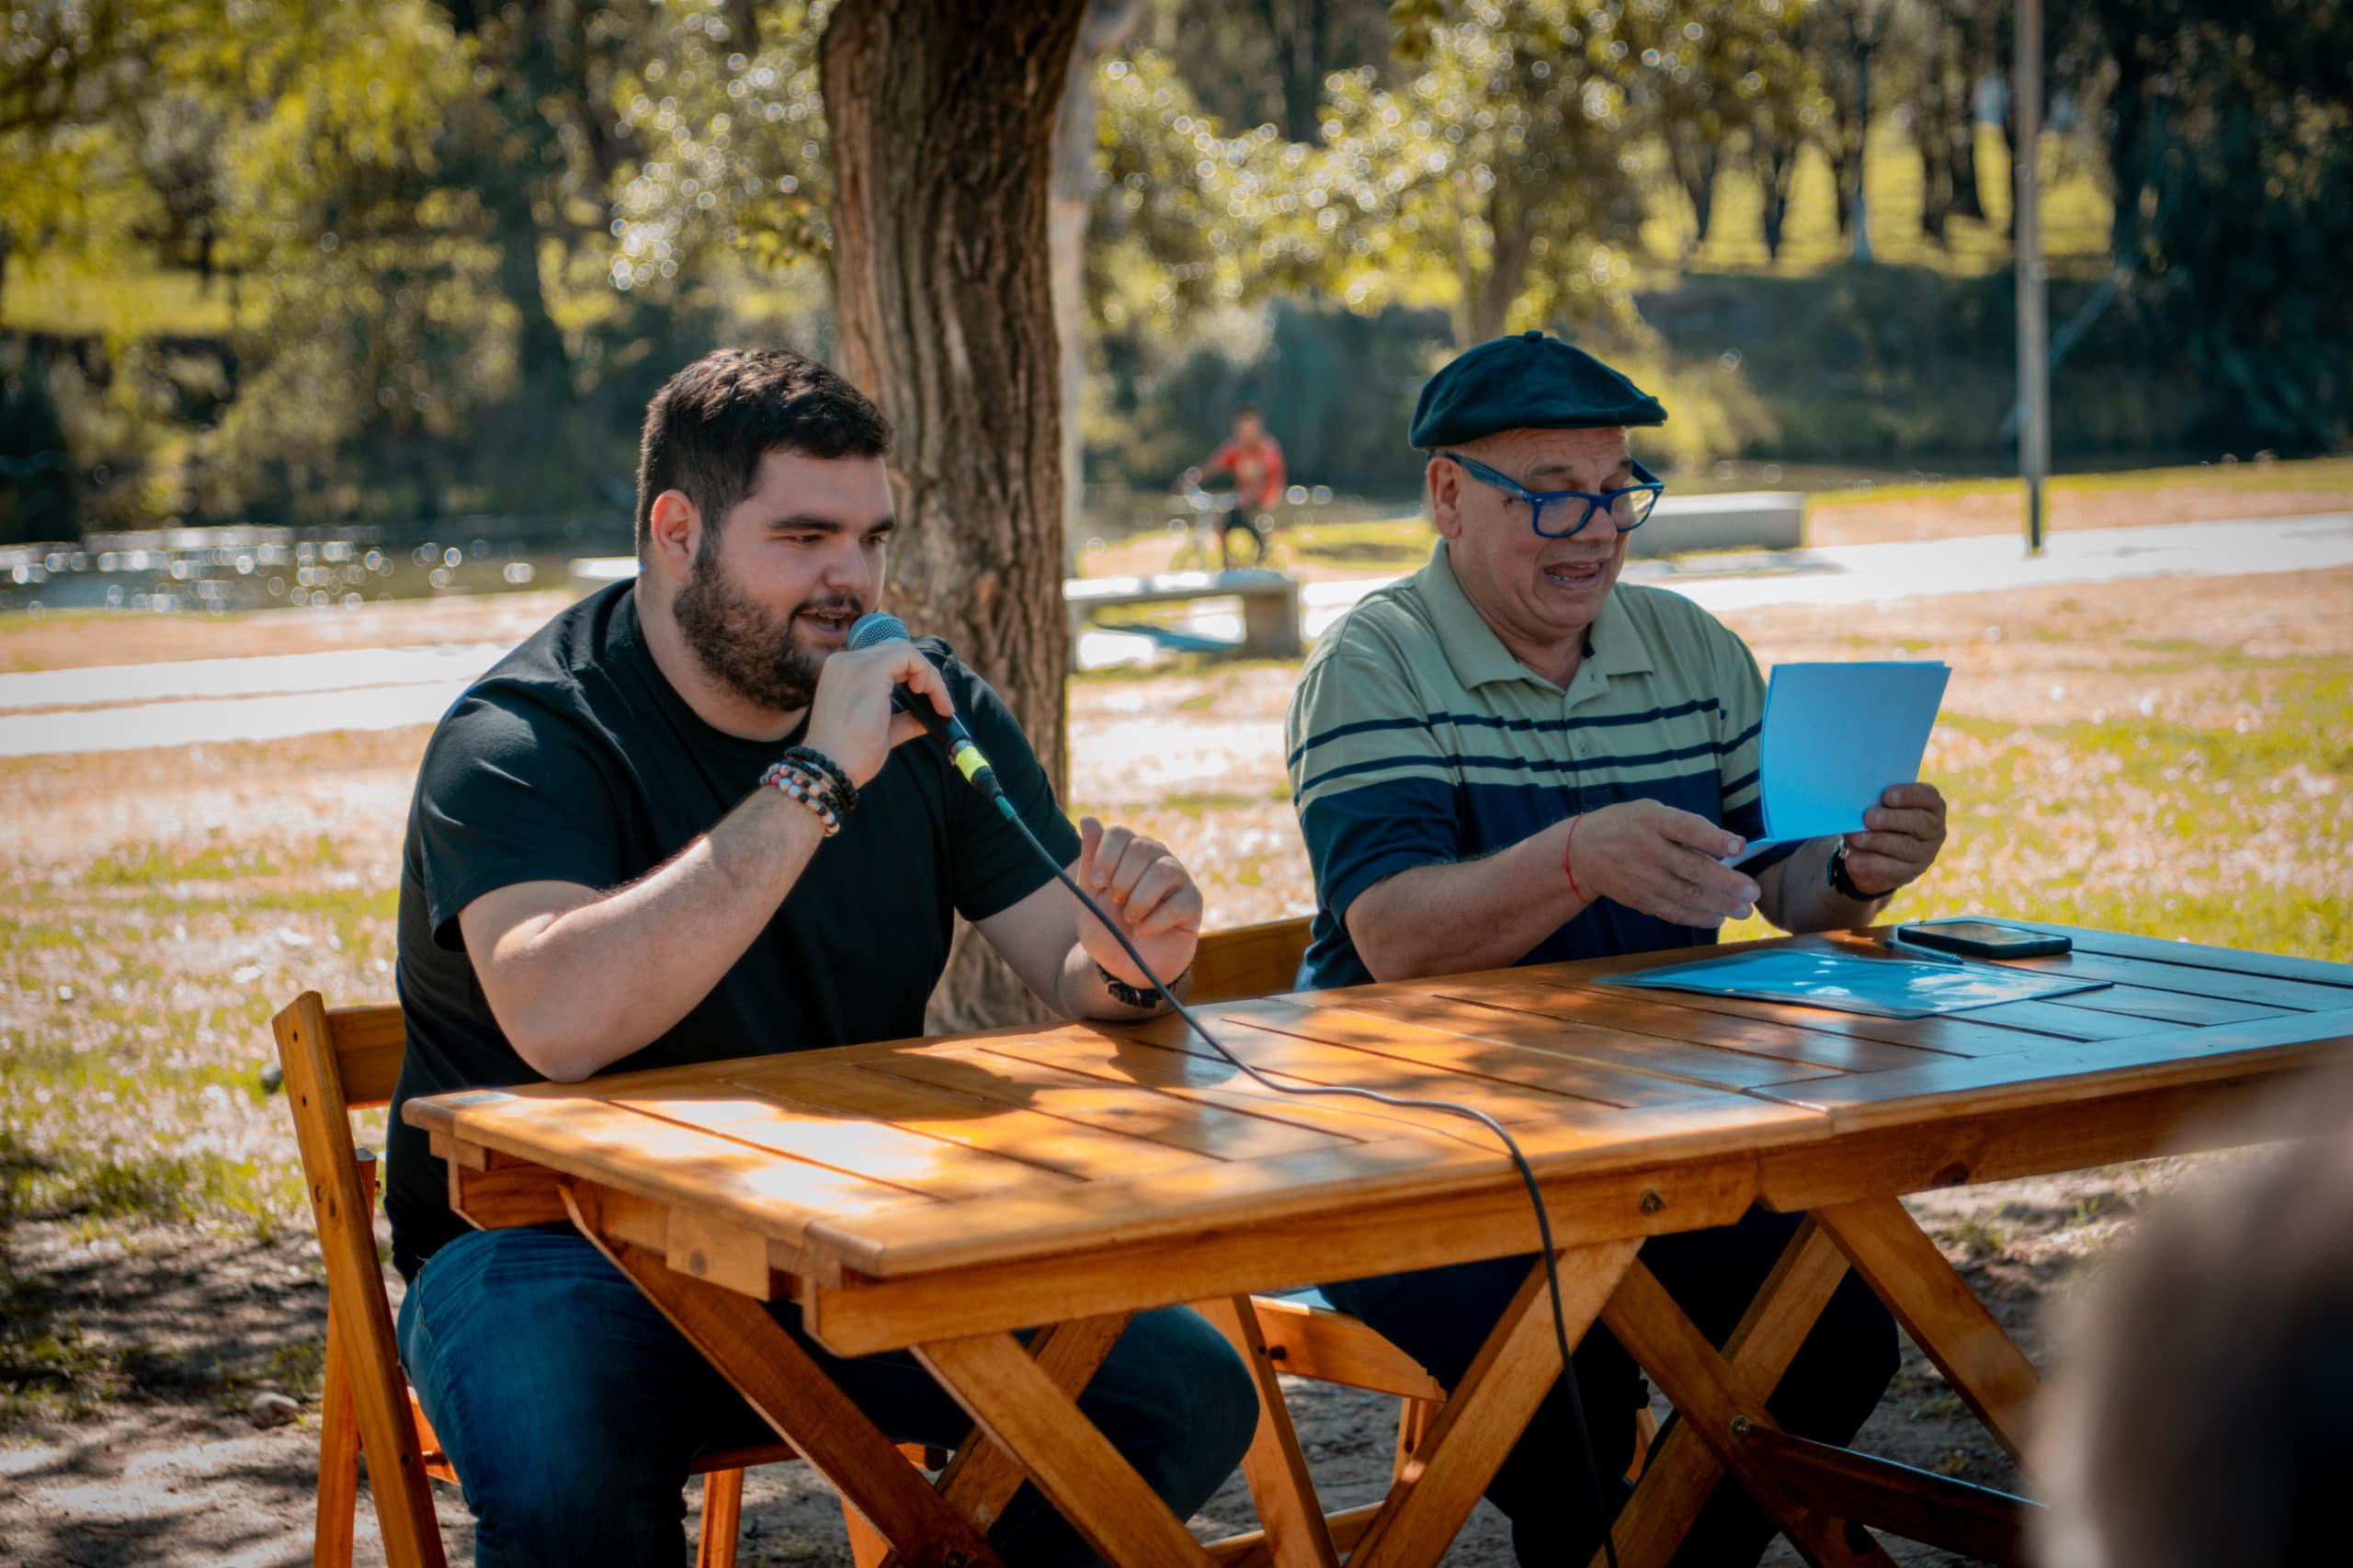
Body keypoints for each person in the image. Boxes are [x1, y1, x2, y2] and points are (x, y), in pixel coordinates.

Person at [386, 347, 1257, 1568]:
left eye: (872, 539)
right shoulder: (525, 734)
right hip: (553, 1249)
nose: (850, 579)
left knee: (1185, 1390)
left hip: (842, 1231)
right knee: (565, 1466)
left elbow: (1072, 953)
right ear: (676, 528)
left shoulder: (923, 707)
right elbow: (561, 1018)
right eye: (803, 537)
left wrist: (1131, 952)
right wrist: (814, 777)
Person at [1283, 331, 1954, 1565]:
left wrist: (1856, 866)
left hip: (1656, 1135)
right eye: (1548, 492)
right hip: (1415, 1151)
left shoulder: (1693, 647)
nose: (1592, 527)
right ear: (1448, 494)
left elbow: (1780, 883)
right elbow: (1390, 938)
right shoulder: (1371, 661)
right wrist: (1576, 857)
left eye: (1615, 491)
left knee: (1839, 1337)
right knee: (1567, 1384)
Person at [1183, 404, 1287, 569]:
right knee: (1222, 524)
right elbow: (1213, 465)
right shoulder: (1235, 448)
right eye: (1242, 429)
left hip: (1264, 497)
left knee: (1246, 521)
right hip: (1241, 497)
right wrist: (1191, 477)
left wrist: (1249, 495)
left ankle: (1262, 551)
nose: (1245, 433)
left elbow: (1262, 476)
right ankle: (1227, 564)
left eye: (1250, 428)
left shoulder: (1266, 448)